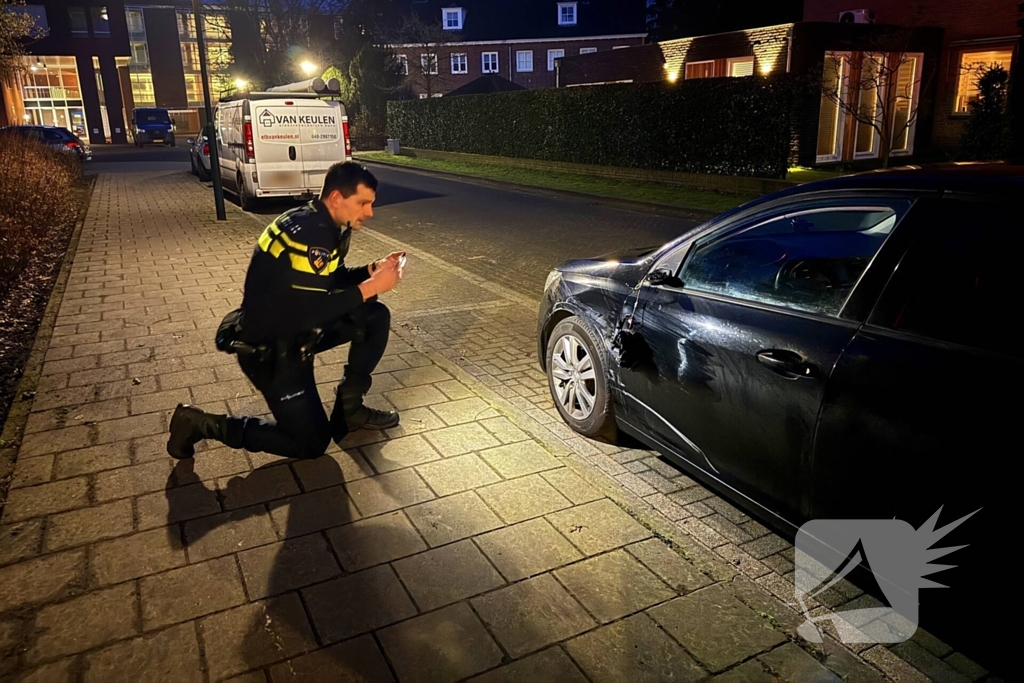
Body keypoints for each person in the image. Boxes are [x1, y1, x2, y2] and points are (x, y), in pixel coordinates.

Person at [166, 162, 404, 461]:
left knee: (374, 317)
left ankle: (350, 410)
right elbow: (311, 312)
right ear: (335, 198)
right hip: (269, 350)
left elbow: (330, 280)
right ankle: (199, 424)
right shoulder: (312, 233)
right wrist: (371, 286)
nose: (369, 212)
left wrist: (371, 270)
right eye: (363, 203)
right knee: (311, 445)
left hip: (295, 332)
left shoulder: (317, 221)